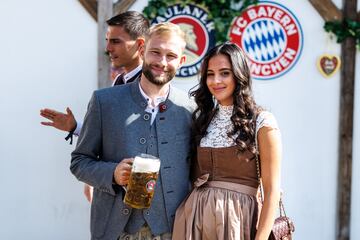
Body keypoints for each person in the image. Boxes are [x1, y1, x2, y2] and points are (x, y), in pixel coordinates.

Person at [70, 22, 193, 240]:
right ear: (142, 49)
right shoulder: (104, 101)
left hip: (172, 231)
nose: (162, 62)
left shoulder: (191, 109)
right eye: (156, 52)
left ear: (181, 61)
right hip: (115, 230)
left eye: (171, 55)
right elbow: (79, 162)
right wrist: (113, 174)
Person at [172, 42, 282, 240]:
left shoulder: (262, 121)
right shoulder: (203, 120)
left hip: (238, 221)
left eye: (224, 73)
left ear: (239, 75)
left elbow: (272, 189)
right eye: (210, 74)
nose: (216, 81)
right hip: (195, 220)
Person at [39, 11, 150, 202]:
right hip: (114, 190)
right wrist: (75, 128)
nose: (108, 48)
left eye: (116, 41)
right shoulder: (120, 81)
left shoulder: (148, 86)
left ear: (140, 44)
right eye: (107, 40)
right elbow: (115, 136)